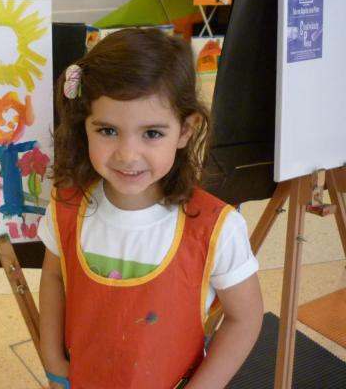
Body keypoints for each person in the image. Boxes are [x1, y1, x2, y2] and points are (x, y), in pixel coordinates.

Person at [38, 28, 263, 389]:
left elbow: (245, 319)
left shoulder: (217, 228)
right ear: (84, 126)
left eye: (152, 133)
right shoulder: (65, 205)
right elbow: (53, 278)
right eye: (107, 131)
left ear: (186, 130)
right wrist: (53, 362)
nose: (128, 155)